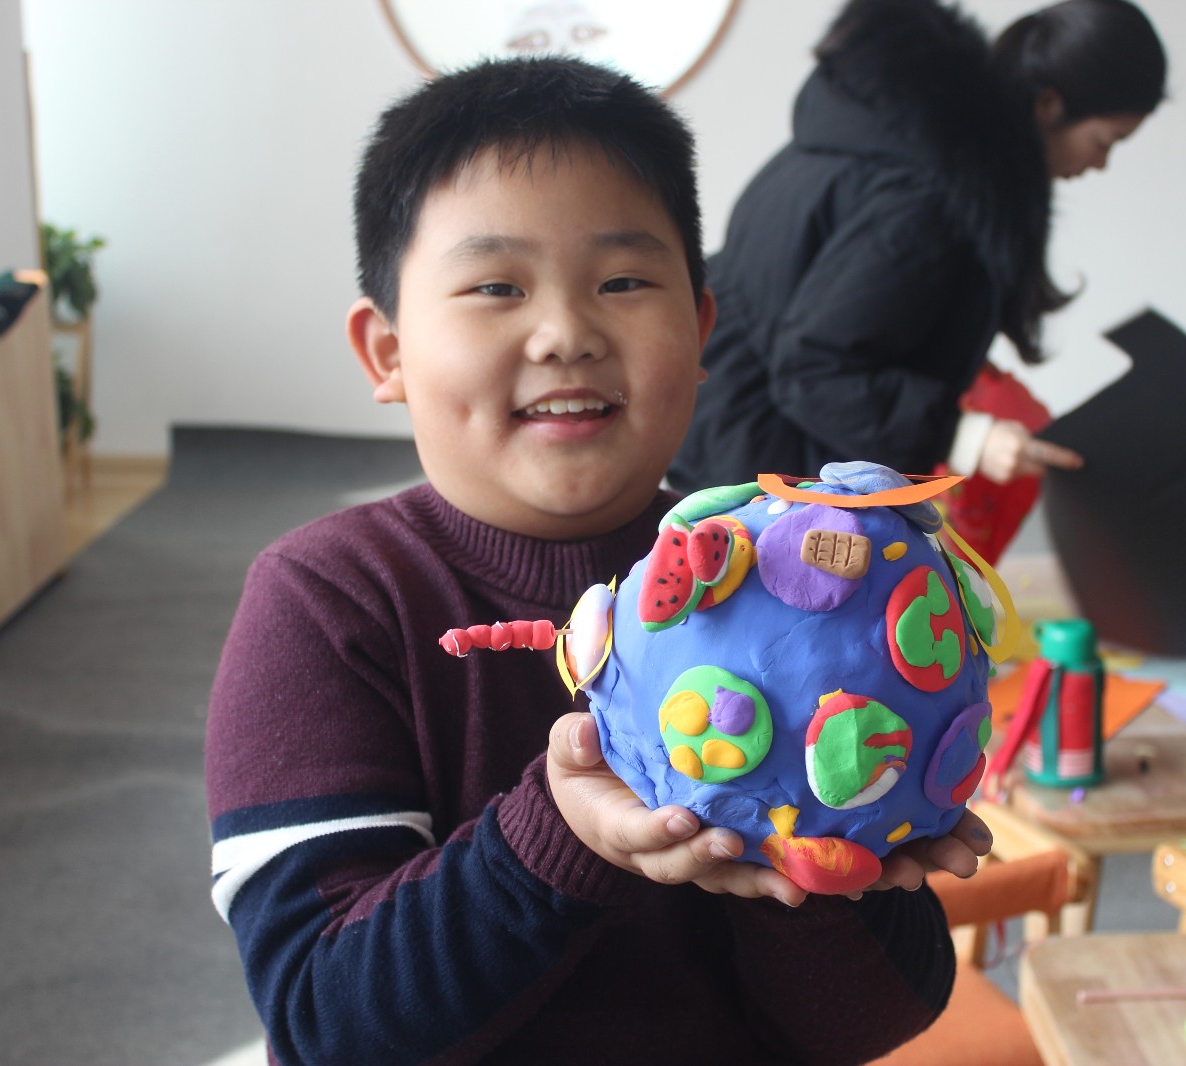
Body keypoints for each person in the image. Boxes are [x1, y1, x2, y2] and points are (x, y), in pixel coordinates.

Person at [205, 56, 990, 1066]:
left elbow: (884, 1018)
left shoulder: (789, 584)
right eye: (495, 287)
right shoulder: (327, 602)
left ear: (700, 329)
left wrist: (804, 852)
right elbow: (325, 1022)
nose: (566, 333)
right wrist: (565, 836)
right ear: (387, 352)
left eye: (622, 281)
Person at [668, 0, 1167, 496]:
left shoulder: (896, 134)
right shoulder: (933, 196)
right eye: (1106, 141)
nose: (1100, 164)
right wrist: (966, 437)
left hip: (718, 406)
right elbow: (816, 368)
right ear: (1049, 104)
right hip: (762, 457)